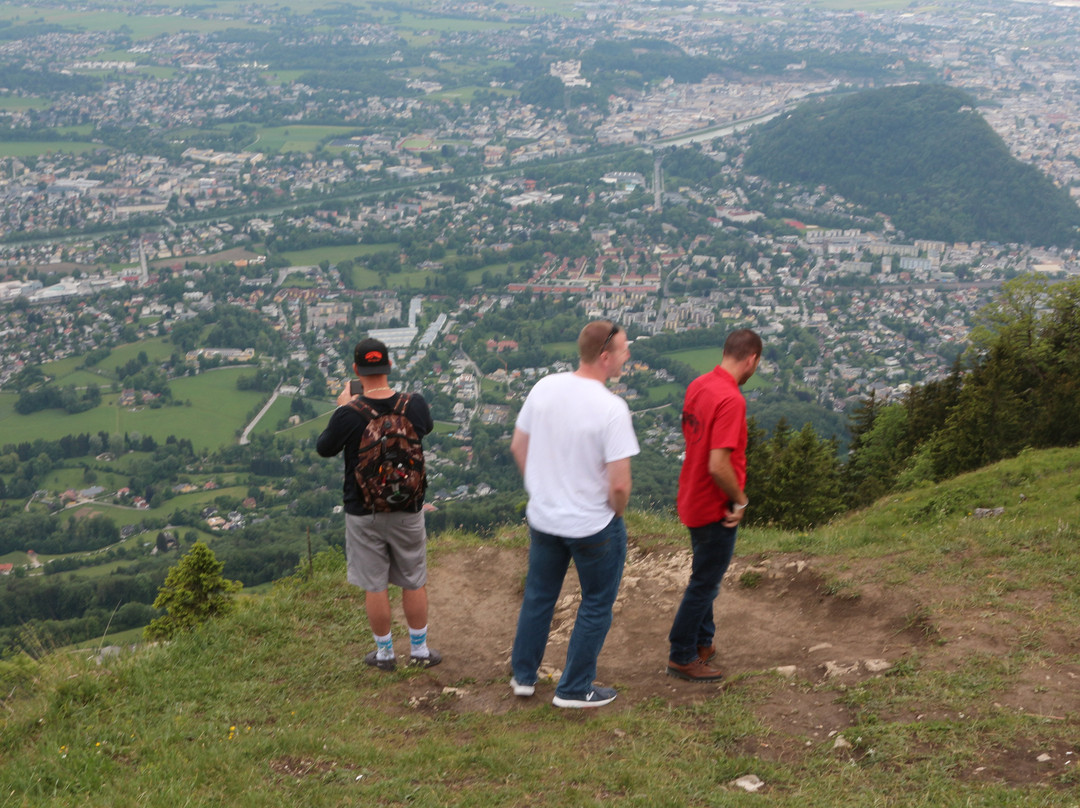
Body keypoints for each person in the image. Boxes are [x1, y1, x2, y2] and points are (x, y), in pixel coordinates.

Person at [509, 320, 640, 708]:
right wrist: (615, 515)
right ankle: (574, 688)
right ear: (605, 357)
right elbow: (619, 485)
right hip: (592, 524)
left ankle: (523, 676)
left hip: (545, 517)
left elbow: (519, 446)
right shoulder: (612, 409)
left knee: (539, 595)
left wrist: (542, 491)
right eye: (623, 349)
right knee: (596, 601)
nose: (627, 355)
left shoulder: (544, 387)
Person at [317, 337, 439, 671]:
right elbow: (424, 428)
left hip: (363, 510)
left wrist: (345, 406)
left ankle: (385, 655)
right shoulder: (414, 403)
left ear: (356, 370)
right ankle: (420, 650)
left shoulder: (349, 413)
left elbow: (324, 448)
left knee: (375, 583)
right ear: (389, 367)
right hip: (407, 508)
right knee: (413, 578)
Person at [667, 328, 762, 682]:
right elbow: (718, 464)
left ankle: (703, 642)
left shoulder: (699, 385)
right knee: (705, 583)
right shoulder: (732, 400)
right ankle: (682, 654)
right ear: (751, 359)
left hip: (691, 493)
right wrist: (740, 501)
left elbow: (691, 434)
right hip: (715, 506)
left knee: (704, 575)